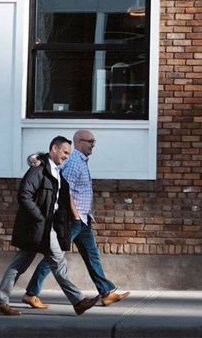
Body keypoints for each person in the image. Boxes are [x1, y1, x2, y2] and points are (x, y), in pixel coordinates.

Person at [0, 136, 101, 316]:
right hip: (38, 226)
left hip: (46, 227)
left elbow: (59, 201)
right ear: (54, 148)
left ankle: (0, 302)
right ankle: (78, 301)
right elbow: (24, 195)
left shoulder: (57, 172)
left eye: (68, 153)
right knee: (57, 262)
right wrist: (40, 218)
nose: (67, 156)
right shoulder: (39, 170)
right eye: (65, 152)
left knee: (21, 265)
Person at [21, 129, 130, 309]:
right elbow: (66, 189)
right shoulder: (73, 162)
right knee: (55, 257)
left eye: (94, 142)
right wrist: (75, 214)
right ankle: (31, 293)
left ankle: (106, 293)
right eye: (90, 142)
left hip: (82, 219)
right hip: (73, 219)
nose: (92, 145)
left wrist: (87, 214)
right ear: (78, 142)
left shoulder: (81, 161)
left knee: (92, 255)